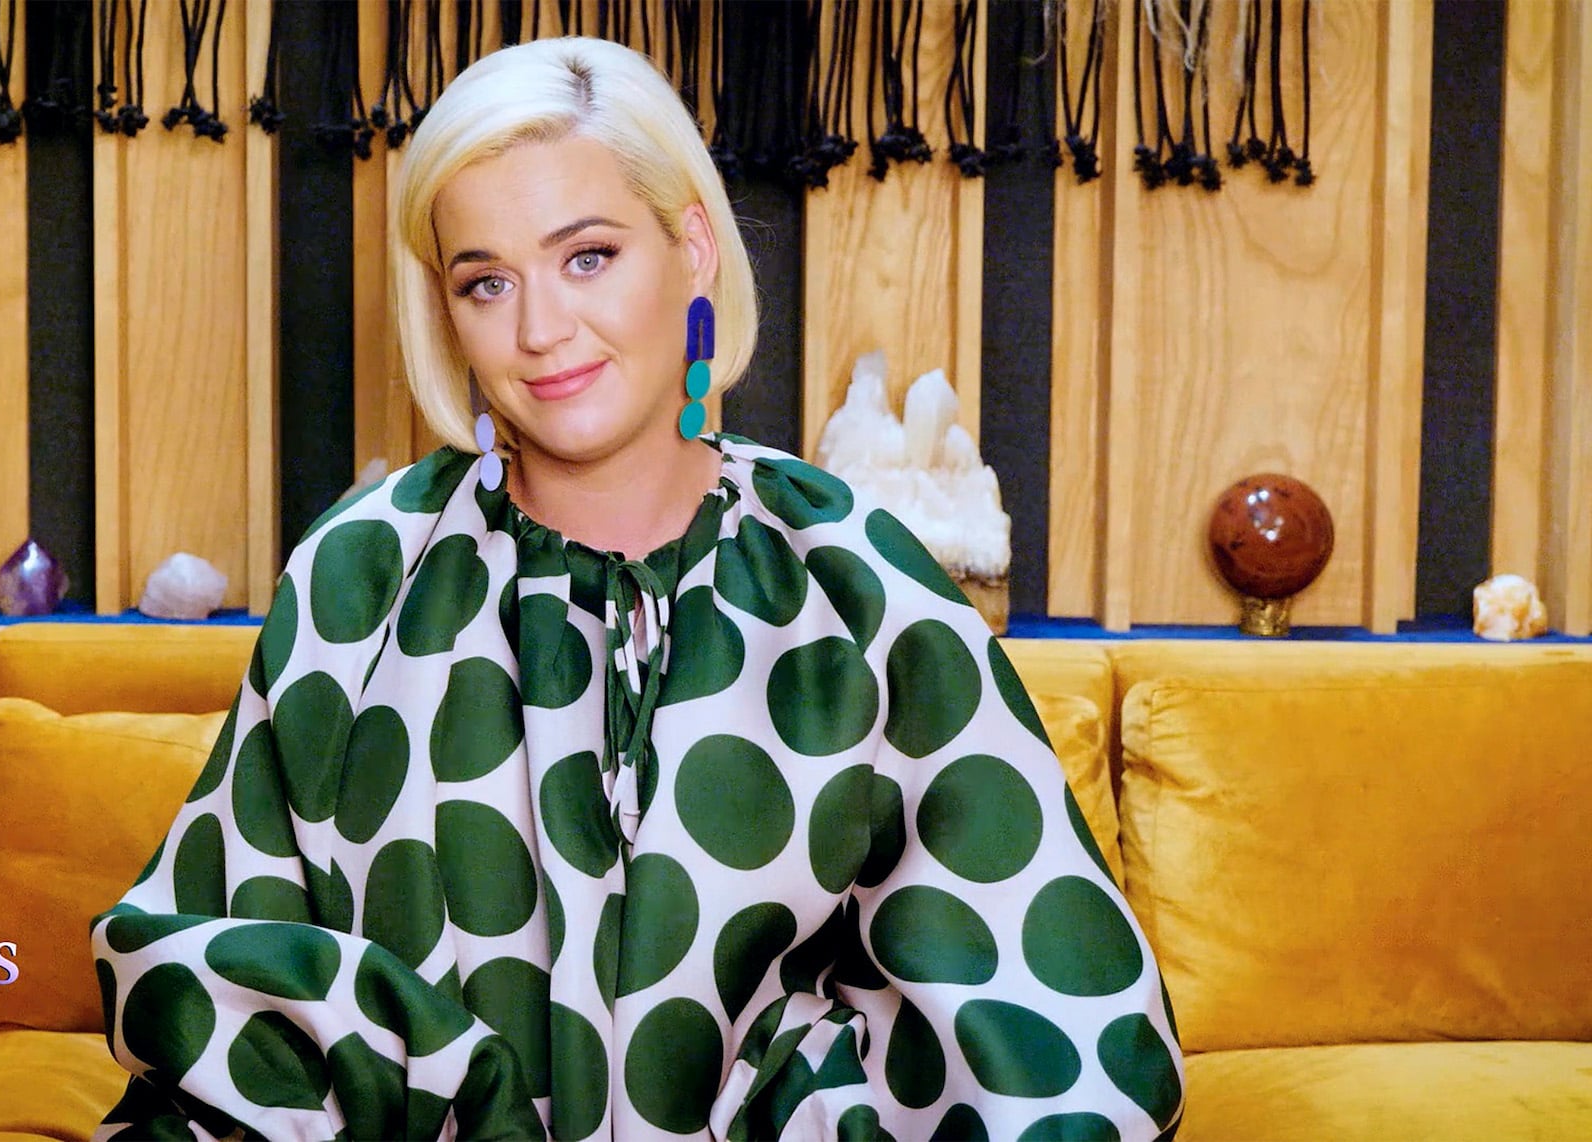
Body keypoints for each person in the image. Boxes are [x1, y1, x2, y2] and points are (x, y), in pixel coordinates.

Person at [91, 35, 1183, 1142]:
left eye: (587, 257)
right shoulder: (362, 573)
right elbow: (219, 955)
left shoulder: (849, 576)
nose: (539, 330)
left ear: (691, 246)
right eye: (486, 281)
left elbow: (1048, 1003)